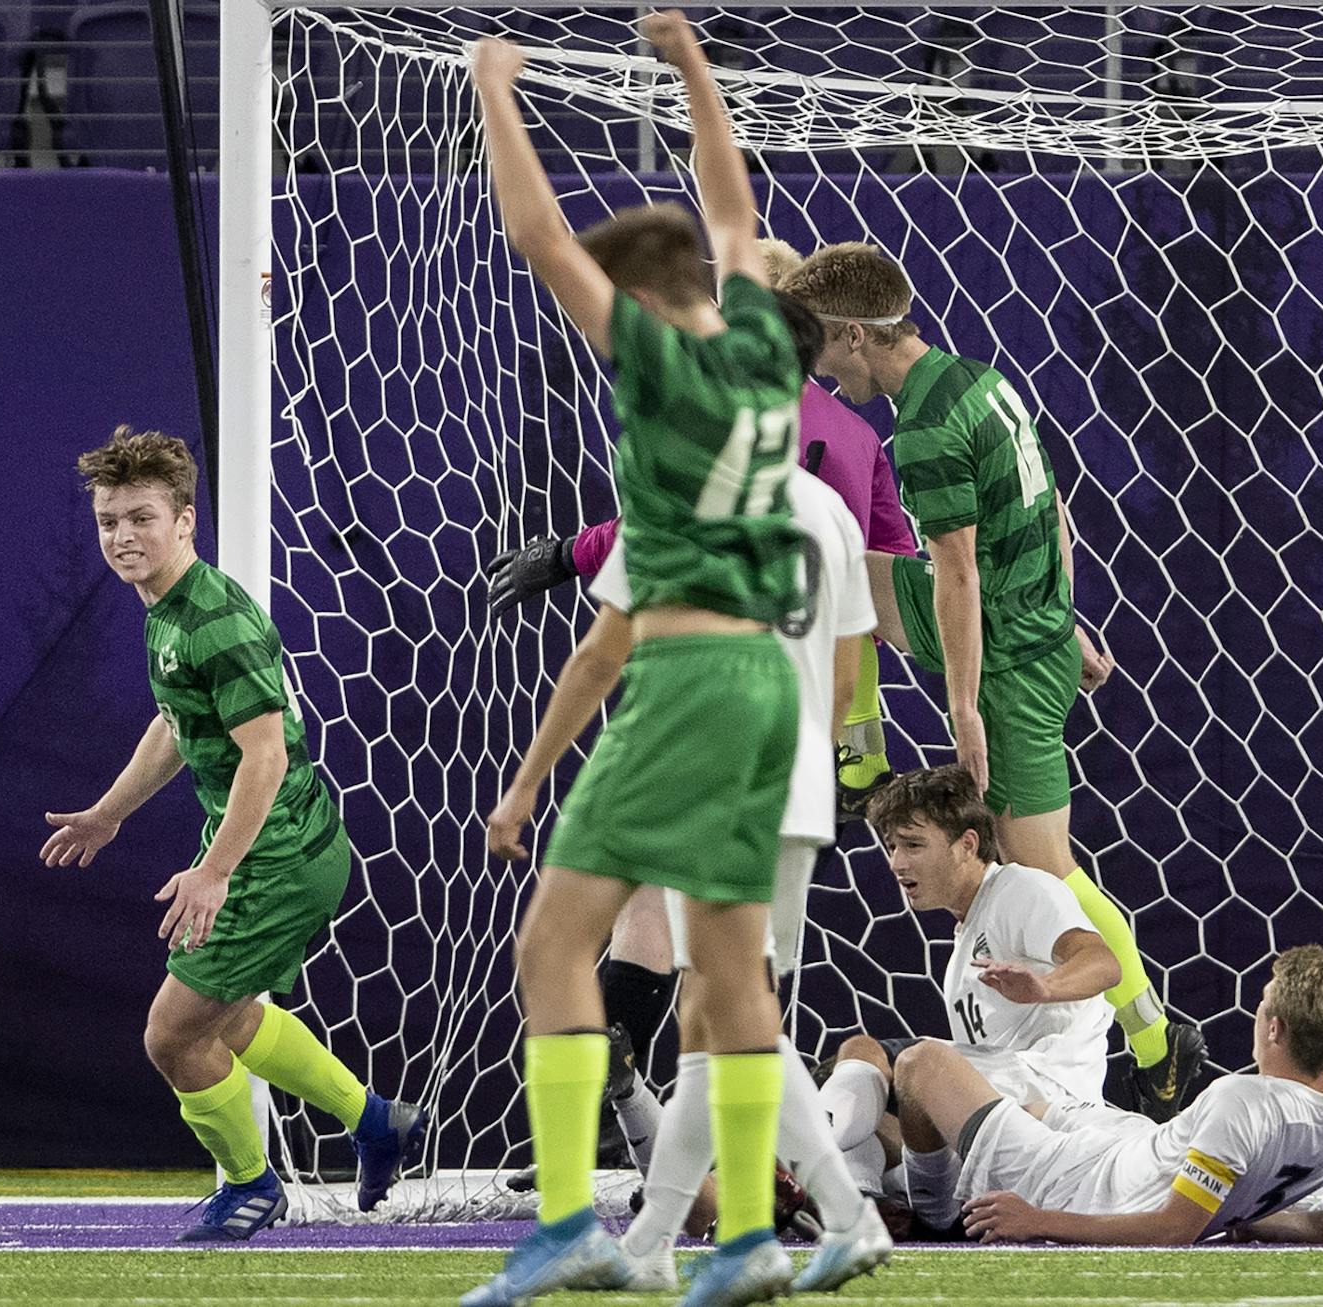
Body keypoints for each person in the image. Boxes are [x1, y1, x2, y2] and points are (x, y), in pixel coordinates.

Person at [464, 13, 813, 1304]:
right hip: (767, 686)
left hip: (684, 679)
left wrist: (498, 90)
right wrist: (691, 66)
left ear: (648, 299)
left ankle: (565, 1221)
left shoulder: (665, 362)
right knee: (729, 970)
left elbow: (540, 237)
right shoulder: (770, 345)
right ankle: (748, 1241)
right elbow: (734, 208)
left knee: (554, 942)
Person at [781, 242, 1204, 1120]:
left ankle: (1159, 1045)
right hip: (1033, 628)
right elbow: (1052, 508)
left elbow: (959, 576)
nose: (818, 372)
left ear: (855, 335)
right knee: (833, 564)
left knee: (1045, 876)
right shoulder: (978, 377)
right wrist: (1069, 613)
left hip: (1008, 659)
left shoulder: (926, 427)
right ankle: (860, 760)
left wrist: (964, 705)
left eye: (820, 349)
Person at [42, 426, 425, 1241]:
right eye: (109, 520)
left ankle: (253, 1187)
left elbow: (266, 754)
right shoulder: (168, 612)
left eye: (141, 518)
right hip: (275, 848)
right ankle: (378, 1120)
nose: (122, 536)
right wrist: (111, 811)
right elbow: (177, 724)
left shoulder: (213, 618)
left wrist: (213, 870)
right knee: (229, 1017)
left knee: (173, 1035)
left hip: (276, 855)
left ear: (186, 520)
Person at [488, 238, 918, 824]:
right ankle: (863, 763)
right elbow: (887, 561)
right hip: (828, 711)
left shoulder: (728, 426)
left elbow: (662, 528)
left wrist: (566, 555)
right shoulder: (859, 435)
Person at [897, 945, 1323, 1245]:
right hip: (1136, 1143)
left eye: (1262, 1002)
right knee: (1033, 1106)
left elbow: (1171, 1230)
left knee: (920, 1064)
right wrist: (1250, 1220)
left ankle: (933, 1217)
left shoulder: (1241, 1101)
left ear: (1275, 1028)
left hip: (1084, 1188)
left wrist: (1038, 1220)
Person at [815, 766, 1120, 1212]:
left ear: (968, 844)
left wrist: (1045, 986)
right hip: (997, 1111)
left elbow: (1103, 962)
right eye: (892, 846)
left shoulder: (1020, 887)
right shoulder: (963, 945)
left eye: (913, 845)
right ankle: (874, 1196)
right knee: (861, 1092)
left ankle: (857, 1185)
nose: (898, 862)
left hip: (1048, 1098)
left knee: (883, 1059)